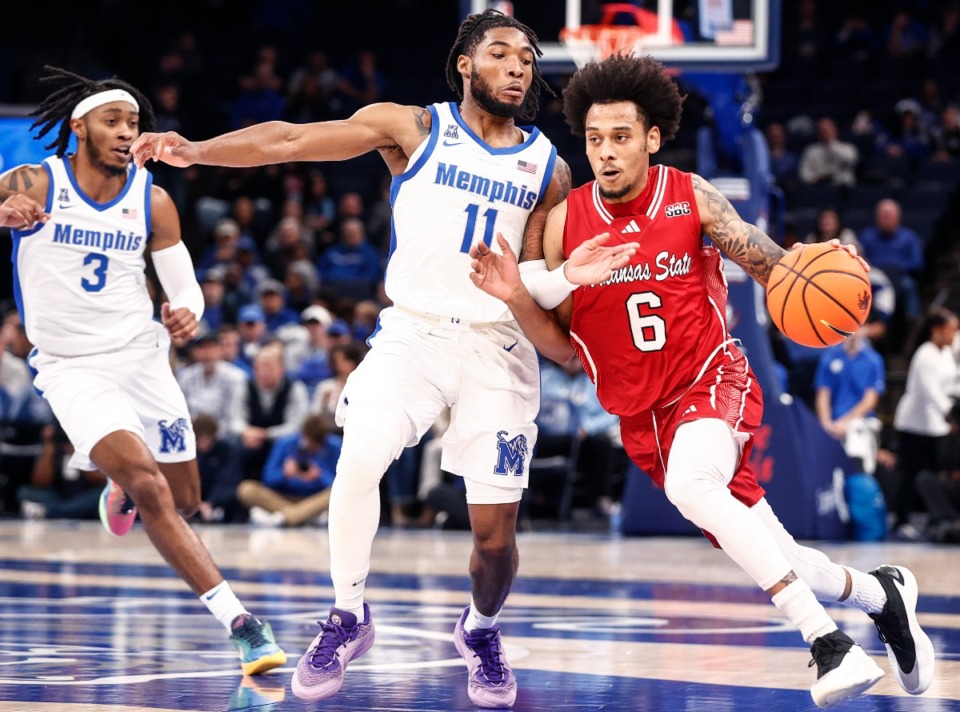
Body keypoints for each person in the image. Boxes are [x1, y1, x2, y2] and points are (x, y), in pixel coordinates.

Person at [132, 9, 637, 707]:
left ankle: (481, 628)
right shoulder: (414, 127)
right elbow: (289, 140)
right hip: (413, 335)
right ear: (465, 64)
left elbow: (533, 285)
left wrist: (575, 280)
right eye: (501, 53)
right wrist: (196, 151)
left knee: (494, 541)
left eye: (528, 57)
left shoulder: (549, 168)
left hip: (498, 346)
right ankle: (348, 613)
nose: (520, 66)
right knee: (361, 455)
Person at [469, 54, 935, 708]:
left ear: (652, 138)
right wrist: (520, 294)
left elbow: (769, 263)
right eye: (595, 139)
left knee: (694, 485)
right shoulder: (564, 224)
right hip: (641, 417)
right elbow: (564, 348)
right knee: (776, 554)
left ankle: (827, 643)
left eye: (621, 138)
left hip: (712, 379)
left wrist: (818, 268)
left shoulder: (690, 195)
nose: (605, 153)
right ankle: (882, 594)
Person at [0, 67, 285, 674]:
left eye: (134, 123)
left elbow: (186, 289)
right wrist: (3, 210)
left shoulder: (151, 199)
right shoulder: (36, 181)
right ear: (79, 128)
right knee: (155, 491)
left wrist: (189, 313)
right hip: (72, 366)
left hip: (142, 357)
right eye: (113, 121)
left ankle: (119, 482)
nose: (127, 132)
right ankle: (244, 625)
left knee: (185, 498)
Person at [891, 307, 960, 537]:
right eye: (950, 330)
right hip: (914, 425)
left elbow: (952, 385)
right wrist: (952, 414)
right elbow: (933, 393)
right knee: (910, 474)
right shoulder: (925, 355)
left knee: (932, 476)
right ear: (937, 331)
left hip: (937, 426)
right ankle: (900, 522)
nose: (954, 335)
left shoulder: (947, 353)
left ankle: (934, 521)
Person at [237, 412, 342, 527]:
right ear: (303, 435)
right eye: (311, 442)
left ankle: (286, 517)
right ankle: (302, 516)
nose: (313, 447)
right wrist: (284, 474)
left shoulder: (336, 446)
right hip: (283, 497)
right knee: (246, 488)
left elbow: (340, 483)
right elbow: (267, 478)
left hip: (314, 499)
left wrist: (320, 476)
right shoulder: (285, 443)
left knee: (335, 493)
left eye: (318, 444)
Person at [813, 329, 886, 475]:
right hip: (833, 426)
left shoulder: (873, 360)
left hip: (860, 424)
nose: (853, 333)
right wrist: (826, 424)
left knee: (857, 461)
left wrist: (845, 423)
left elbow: (870, 400)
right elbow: (823, 394)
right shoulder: (829, 358)